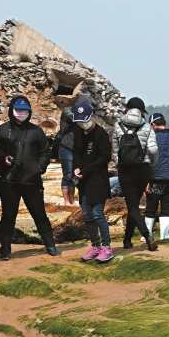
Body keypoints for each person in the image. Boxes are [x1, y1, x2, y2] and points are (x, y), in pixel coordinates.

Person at [0, 95, 59, 259]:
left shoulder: (36, 131)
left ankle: (50, 245)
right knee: (8, 215)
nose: (21, 114)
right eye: (18, 110)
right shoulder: (3, 130)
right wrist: (3, 156)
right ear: (12, 111)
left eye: (24, 111)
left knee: (39, 214)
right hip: (9, 181)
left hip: (32, 181)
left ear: (29, 112)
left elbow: (45, 151)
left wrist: (40, 169)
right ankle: (5, 248)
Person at [70, 100, 115, 262]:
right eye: (79, 121)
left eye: (85, 120)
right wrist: (76, 167)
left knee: (98, 214)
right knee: (87, 215)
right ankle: (95, 246)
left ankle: (107, 247)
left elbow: (104, 158)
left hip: (97, 180)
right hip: (83, 181)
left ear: (93, 117)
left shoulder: (101, 134)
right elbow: (76, 152)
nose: (83, 124)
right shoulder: (77, 131)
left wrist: (85, 170)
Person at [113, 96, 157, 251]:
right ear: (141, 111)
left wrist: (119, 162)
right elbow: (152, 149)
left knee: (132, 206)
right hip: (143, 168)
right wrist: (152, 162)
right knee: (134, 205)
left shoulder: (118, 126)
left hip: (125, 169)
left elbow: (115, 150)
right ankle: (127, 239)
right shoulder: (147, 127)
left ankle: (147, 236)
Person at [144, 113, 169, 242]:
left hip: (155, 177)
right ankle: (164, 236)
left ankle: (147, 236)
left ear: (153, 125)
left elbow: (146, 159)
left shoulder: (151, 137)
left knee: (151, 207)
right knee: (166, 207)